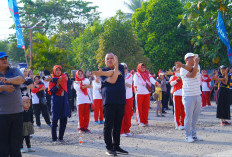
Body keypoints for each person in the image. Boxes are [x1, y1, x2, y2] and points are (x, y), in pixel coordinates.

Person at [93, 53, 128, 156]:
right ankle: (109, 147)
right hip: (109, 101)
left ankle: (116, 146)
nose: (109, 60)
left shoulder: (120, 67)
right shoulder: (102, 71)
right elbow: (113, 80)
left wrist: (115, 68)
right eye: (107, 59)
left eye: (111, 58)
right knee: (108, 125)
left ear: (115, 59)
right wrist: (108, 72)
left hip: (120, 100)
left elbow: (115, 75)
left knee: (118, 125)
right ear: (104, 61)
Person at [0, 52, 25, 157]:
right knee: (2, 147)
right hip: (2, 115)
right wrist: (1, 87)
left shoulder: (14, 70)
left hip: (17, 113)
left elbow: (21, 79)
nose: (5, 60)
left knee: (16, 147)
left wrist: (7, 80)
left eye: (6, 58)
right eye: (2, 59)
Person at [179, 52, 203, 143]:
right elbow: (192, 75)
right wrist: (196, 63)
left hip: (197, 93)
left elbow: (194, 70)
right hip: (188, 95)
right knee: (188, 116)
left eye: (194, 57)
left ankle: (194, 135)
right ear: (187, 59)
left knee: (195, 117)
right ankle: (187, 135)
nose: (194, 59)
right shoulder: (182, 69)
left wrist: (196, 64)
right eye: (192, 58)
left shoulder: (197, 66)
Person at [47, 65, 71, 142]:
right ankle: (54, 138)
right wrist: (57, 85)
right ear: (54, 71)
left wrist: (52, 79)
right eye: (56, 70)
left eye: (59, 70)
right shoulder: (51, 82)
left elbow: (59, 79)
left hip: (64, 101)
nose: (58, 71)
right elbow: (51, 92)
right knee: (54, 120)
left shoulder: (63, 77)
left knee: (64, 120)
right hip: (56, 101)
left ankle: (61, 138)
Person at [120, 63, 134, 137]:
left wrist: (123, 84)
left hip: (128, 97)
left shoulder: (130, 75)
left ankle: (127, 130)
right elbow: (124, 84)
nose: (124, 69)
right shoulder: (117, 75)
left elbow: (129, 84)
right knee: (121, 115)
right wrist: (124, 84)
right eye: (123, 68)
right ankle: (121, 130)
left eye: (125, 68)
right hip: (120, 97)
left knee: (128, 114)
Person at [170, 66, 185, 130]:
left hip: (184, 94)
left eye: (179, 68)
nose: (179, 69)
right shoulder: (173, 76)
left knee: (183, 110)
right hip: (176, 94)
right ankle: (177, 124)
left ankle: (183, 124)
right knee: (177, 110)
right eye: (177, 68)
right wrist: (177, 80)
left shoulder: (184, 76)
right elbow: (171, 84)